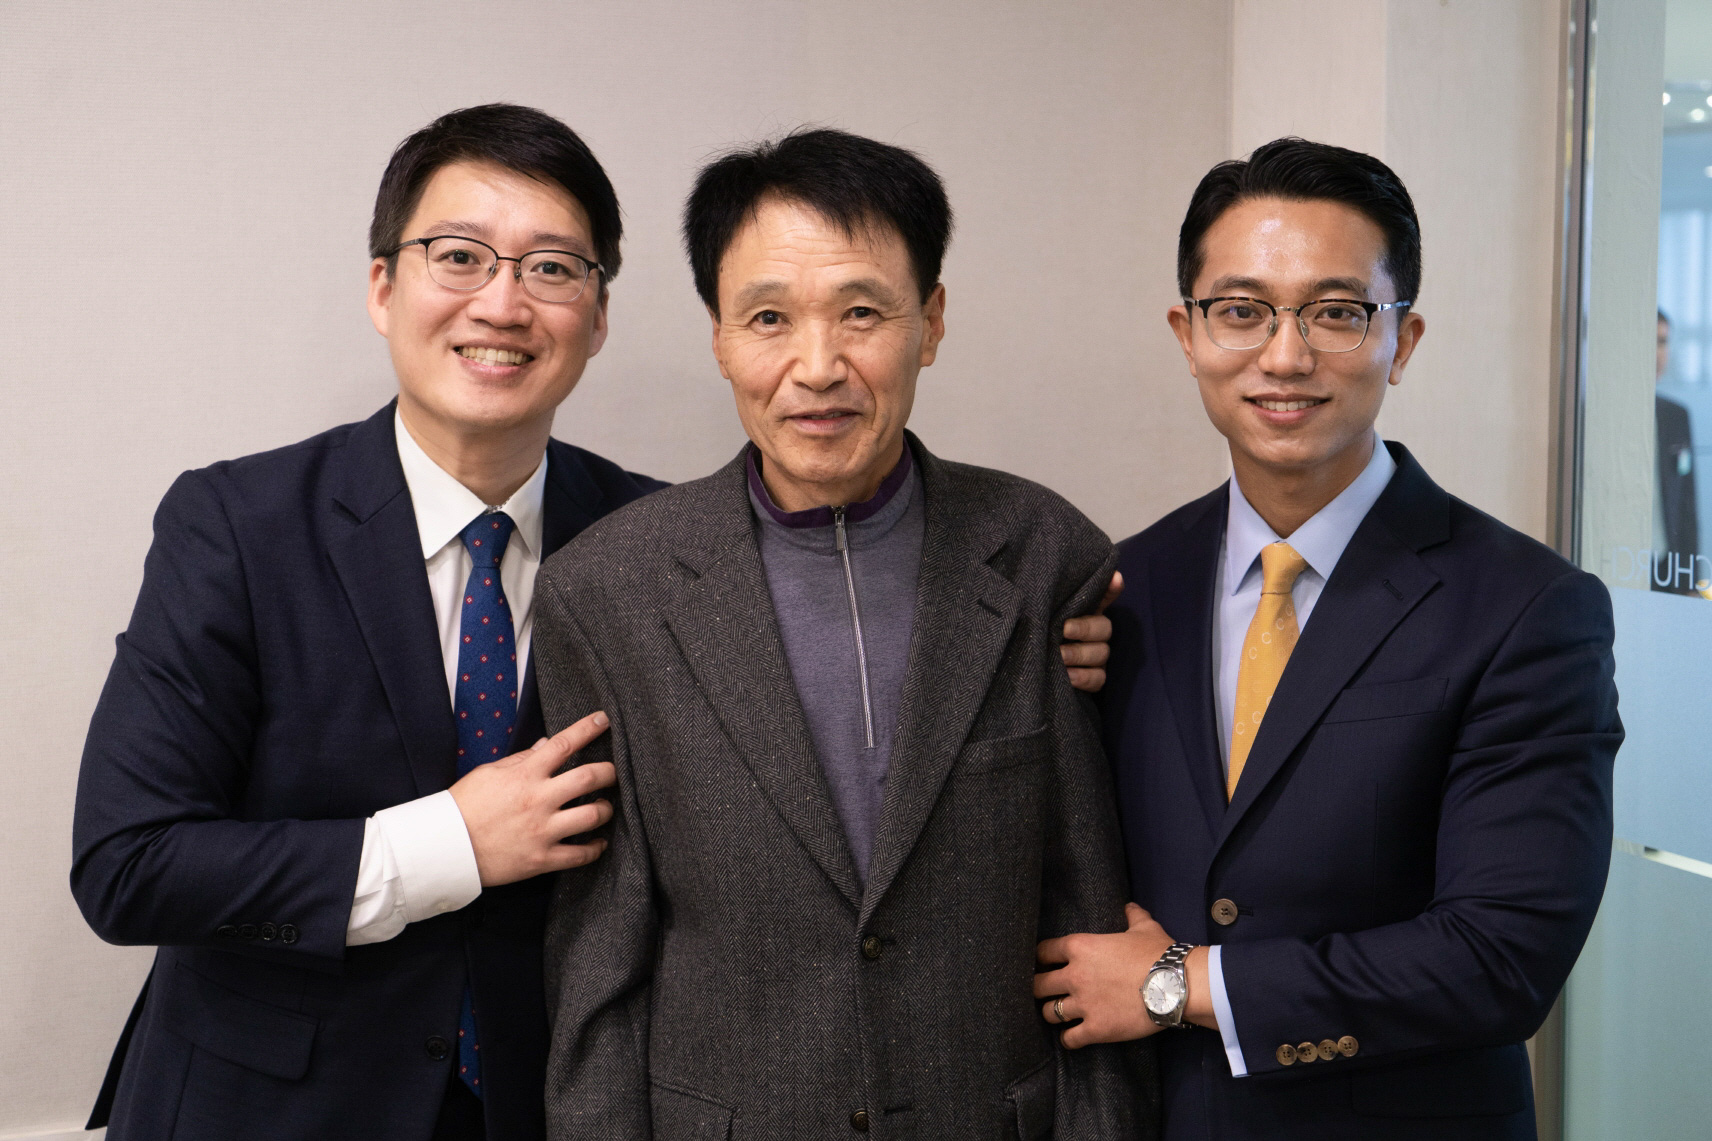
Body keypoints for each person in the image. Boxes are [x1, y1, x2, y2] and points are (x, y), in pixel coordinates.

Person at [70, 104, 1117, 1141]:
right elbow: (128, 867)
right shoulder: (238, 528)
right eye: (459, 257)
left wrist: (1086, 643)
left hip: (533, 1102)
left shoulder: (657, 549)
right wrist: (449, 844)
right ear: (383, 287)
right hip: (268, 1106)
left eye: (552, 268)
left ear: (599, 314)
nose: (502, 303)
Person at [532, 128, 1151, 1140]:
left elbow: (1086, 908)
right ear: (719, 336)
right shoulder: (608, 590)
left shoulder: (1043, 552)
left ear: (930, 321)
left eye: (861, 312)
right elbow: (599, 965)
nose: (816, 367)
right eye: (768, 318)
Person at [1034, 138, 1622, 1140]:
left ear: (1403, 339)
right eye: (1241, 310)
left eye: (1336, 312)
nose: (1284, 355)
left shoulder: (1527, 608)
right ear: (1186, 334)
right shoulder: (1122, 587)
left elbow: (1500, 958)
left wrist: (1182, 984)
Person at [1654, 309, 1699, 592]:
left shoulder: (1675, 417)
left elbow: (1686, 505)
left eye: (1663, 342)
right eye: (1651, 342)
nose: (1658, 354)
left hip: (1666, 569)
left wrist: (1692, 582)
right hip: (1619, 560)